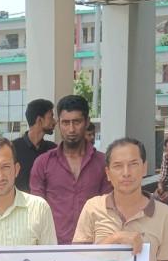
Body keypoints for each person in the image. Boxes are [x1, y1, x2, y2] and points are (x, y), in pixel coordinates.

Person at [30, 94, 111, 245]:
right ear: (58, 123)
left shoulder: (103, 163)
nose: (71, 129)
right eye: (66, 123)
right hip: (53, 248)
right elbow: (36, 210)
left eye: (77, 122)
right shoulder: (43, 163)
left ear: (87, 122)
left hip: (93, 247)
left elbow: (109, 208)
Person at [13, 98, 56, 192]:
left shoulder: (53, 150)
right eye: (51, 117)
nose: (54, 122)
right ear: (39, 120)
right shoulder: (13, 149)